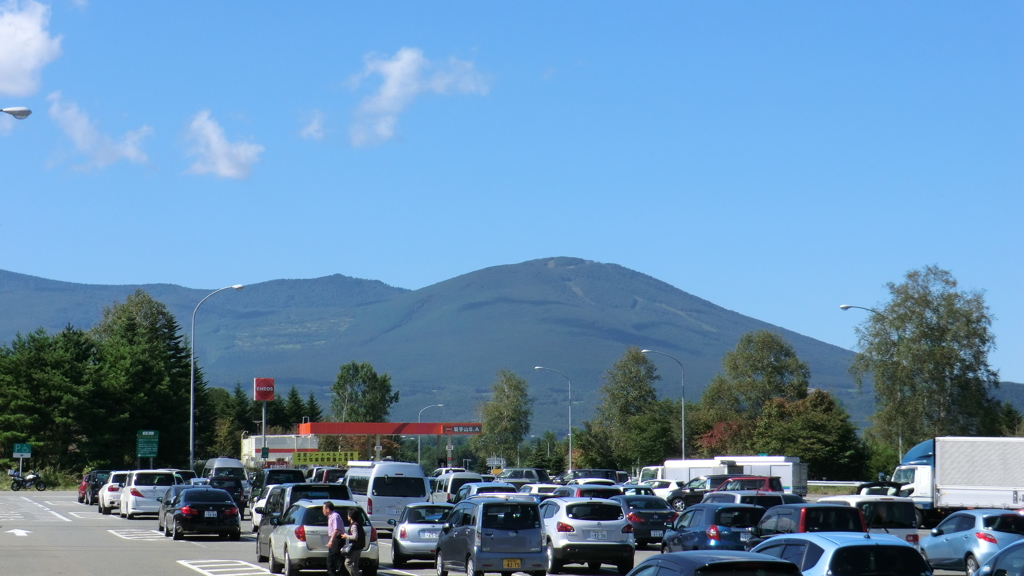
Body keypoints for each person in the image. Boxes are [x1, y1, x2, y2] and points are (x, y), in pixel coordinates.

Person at [340, 507, 365, 576]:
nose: (347, 516)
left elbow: (355, 537)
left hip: (355, 547)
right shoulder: (358, 524)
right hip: (360, 546)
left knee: (348, 563)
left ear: (350, 516)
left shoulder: (354, 525)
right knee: (355, 564)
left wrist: (346, 536)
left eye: (348, 514)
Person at [324, 501, 344, 576]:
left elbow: (336, 529)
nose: (323, 511)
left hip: (337, 539)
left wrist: (331, 540)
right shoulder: (330, 517)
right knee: (330, 560)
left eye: (323, 509)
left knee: (337, 558)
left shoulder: (335, 516)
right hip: (334, 539)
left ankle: (342, 573)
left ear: (328, 509)